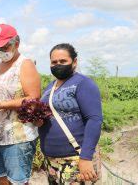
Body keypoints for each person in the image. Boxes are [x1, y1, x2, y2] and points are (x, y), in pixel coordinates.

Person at [0, 24, 41, 185]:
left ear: (17, 43)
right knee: (1, 178)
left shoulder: (25, 64)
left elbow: (33, 100)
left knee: (18, 182)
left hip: (17, 137)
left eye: (4, 46)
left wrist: (2, 104)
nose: (0, 50)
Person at [39, 43, 102, 184]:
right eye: (54, 62)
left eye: (63, 61)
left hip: (76, 158)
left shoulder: (83, 83)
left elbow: (94, 120)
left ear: (74, 62)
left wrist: (85, 158)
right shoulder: (50, 87)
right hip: (52, 160)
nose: (58, 65)